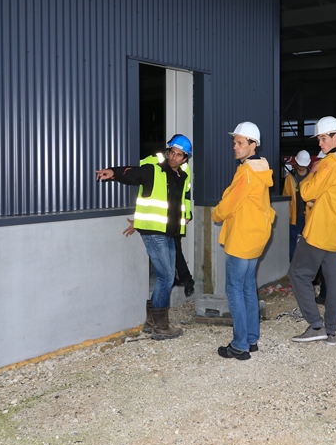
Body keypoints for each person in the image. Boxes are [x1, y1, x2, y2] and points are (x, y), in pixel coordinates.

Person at [95, 134, 192, 341]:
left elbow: (183, 200)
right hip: (153, 232)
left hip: (171, 231)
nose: (174, 158)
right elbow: (132, 173)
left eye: (179, 155)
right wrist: (113, 172)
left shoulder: (182, 177)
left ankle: (151, 322)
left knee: (165, 276)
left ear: (185, 159)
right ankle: (161, 326)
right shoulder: (154, 170)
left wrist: (187, 216)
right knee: (166, 277)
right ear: (168, 153)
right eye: (172, 153)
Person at [289, 116, 336, 346]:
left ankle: (315, 325)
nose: (319, 144)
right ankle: (331, 331)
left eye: (322, 138)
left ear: (335, 137)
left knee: (298, 274)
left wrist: (314, 170)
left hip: (321, 230)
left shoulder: (329, 163)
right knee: (333, 281)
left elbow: (306, 193)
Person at [212, 122, 275, 360]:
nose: (235, 147)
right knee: (248, 287)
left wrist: (215, 213)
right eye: (234, 142)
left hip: (242, 237)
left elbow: (229, 204)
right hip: (256, 237)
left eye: (240, 143)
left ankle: (239, 345)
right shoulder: (261, 169)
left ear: (253, 145)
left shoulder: (247, 171)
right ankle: (251, 338)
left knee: (235, 289)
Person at [283, 150, 312, 261]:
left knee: (307, 241)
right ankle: (292, 263)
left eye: (303, 165)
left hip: (308, 215)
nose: (301, 167)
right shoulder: (290, 177)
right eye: (300, 165)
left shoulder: (313, 177)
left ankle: (305, 264)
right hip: (293, 216)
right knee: (292, 240)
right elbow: (286, 195)